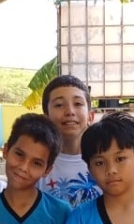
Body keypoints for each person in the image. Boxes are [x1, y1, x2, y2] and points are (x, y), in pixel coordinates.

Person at [40, 75, 101, 207]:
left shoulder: (105, 161)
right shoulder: (38, 164)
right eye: (59, 105)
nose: (70, 111)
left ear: (90, 116)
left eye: (78, 104)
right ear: (46, 118)